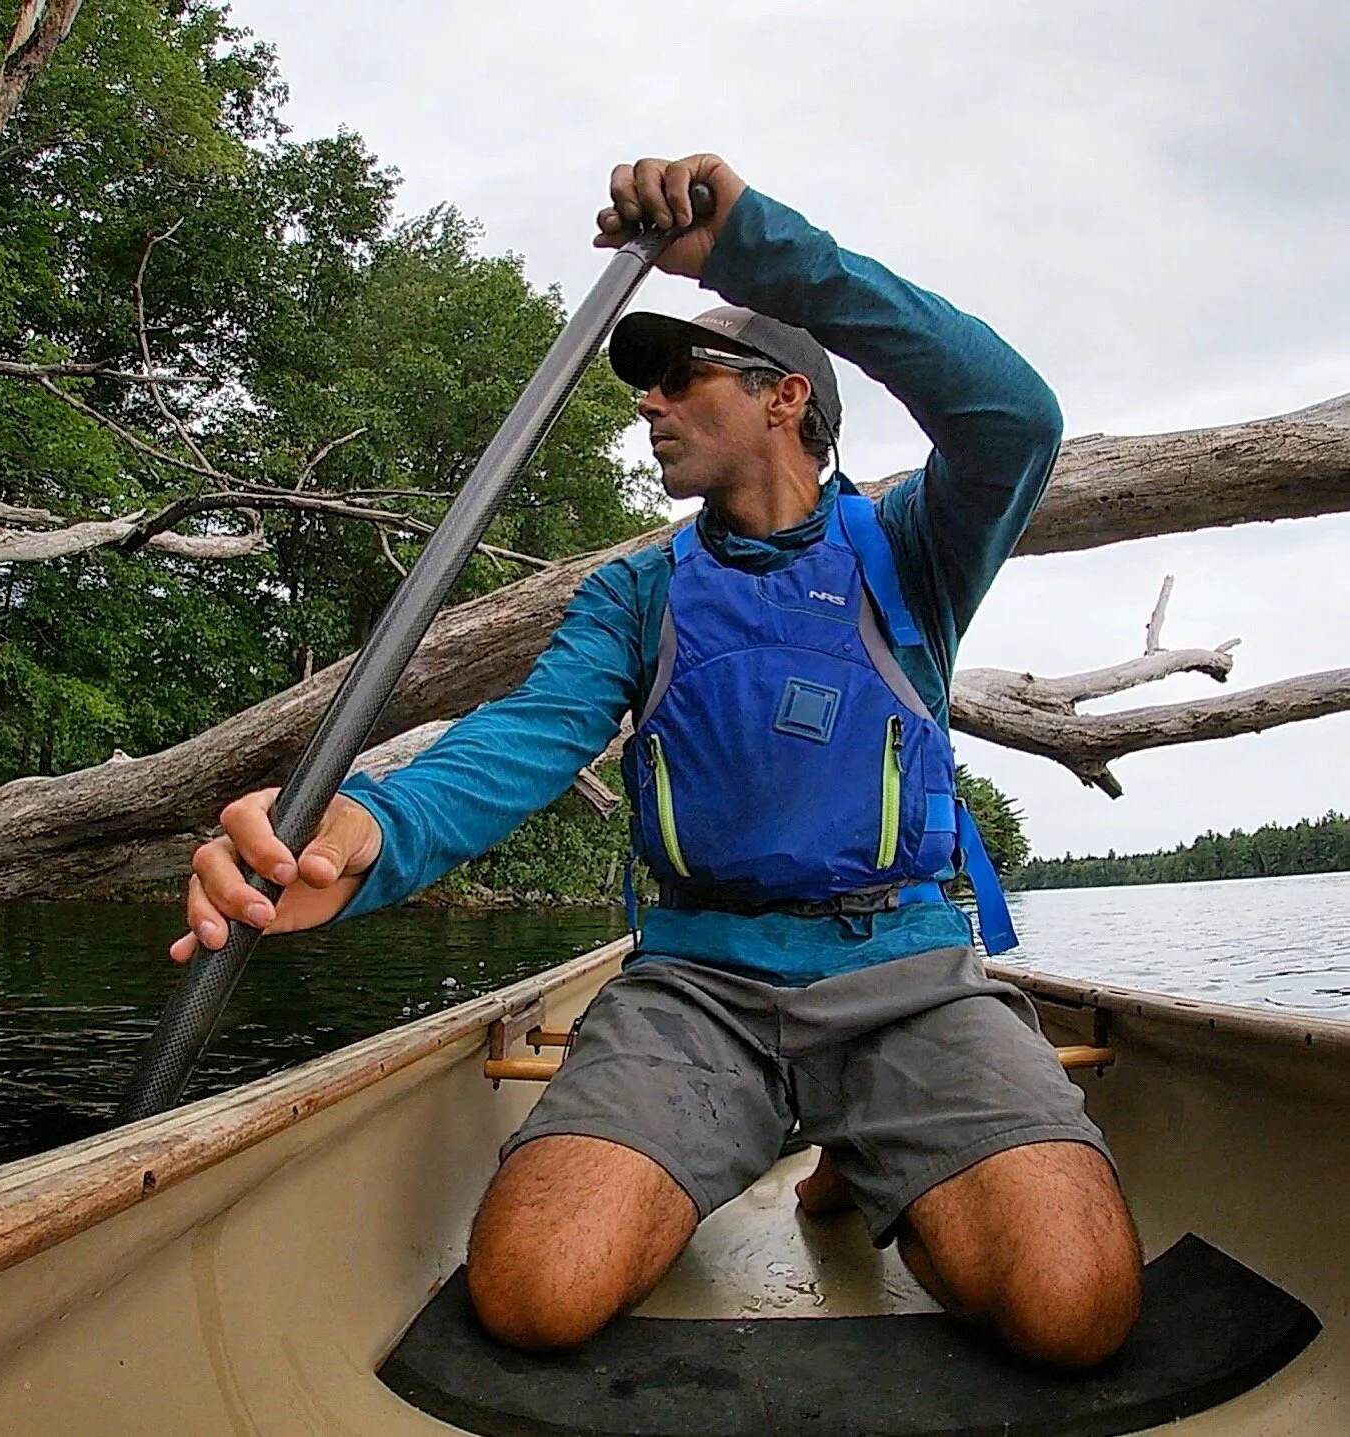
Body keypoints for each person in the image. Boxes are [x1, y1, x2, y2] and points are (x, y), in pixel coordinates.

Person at [173, 153, 1143, 1369]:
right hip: (697, 987)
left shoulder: (914, 547)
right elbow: (522, 742)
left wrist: (761, 253)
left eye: (681, 375)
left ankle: (867, 1146)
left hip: (906, 973)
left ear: (786, 396)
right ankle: (835, 1143)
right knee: (533, 1295)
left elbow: (1015, 417)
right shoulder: (634, 591)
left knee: (1073, 1310)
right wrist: (366, 830)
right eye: (644, 382)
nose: (648, 403)